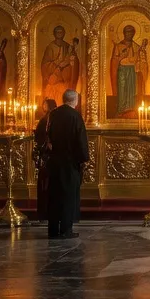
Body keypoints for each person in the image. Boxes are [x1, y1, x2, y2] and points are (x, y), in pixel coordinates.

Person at [46, 90, 90, 239]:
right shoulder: (75, 116)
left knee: (54, 195)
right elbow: (80, 140)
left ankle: (52, 229)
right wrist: (84, 158)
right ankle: (66, 229)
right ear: (75, 101)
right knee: (68, 195)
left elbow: (48, 135)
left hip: (55, 160)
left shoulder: (53, 114)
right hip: (70, 162)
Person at [34, 99, 57, 222]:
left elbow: (39, 138)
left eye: (44, 104)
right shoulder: (49, 119)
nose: (43, 106)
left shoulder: (46, 119)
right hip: (48, 158)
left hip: (47, 158)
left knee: (45, 187)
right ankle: (46, 214)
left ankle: (44, 214)